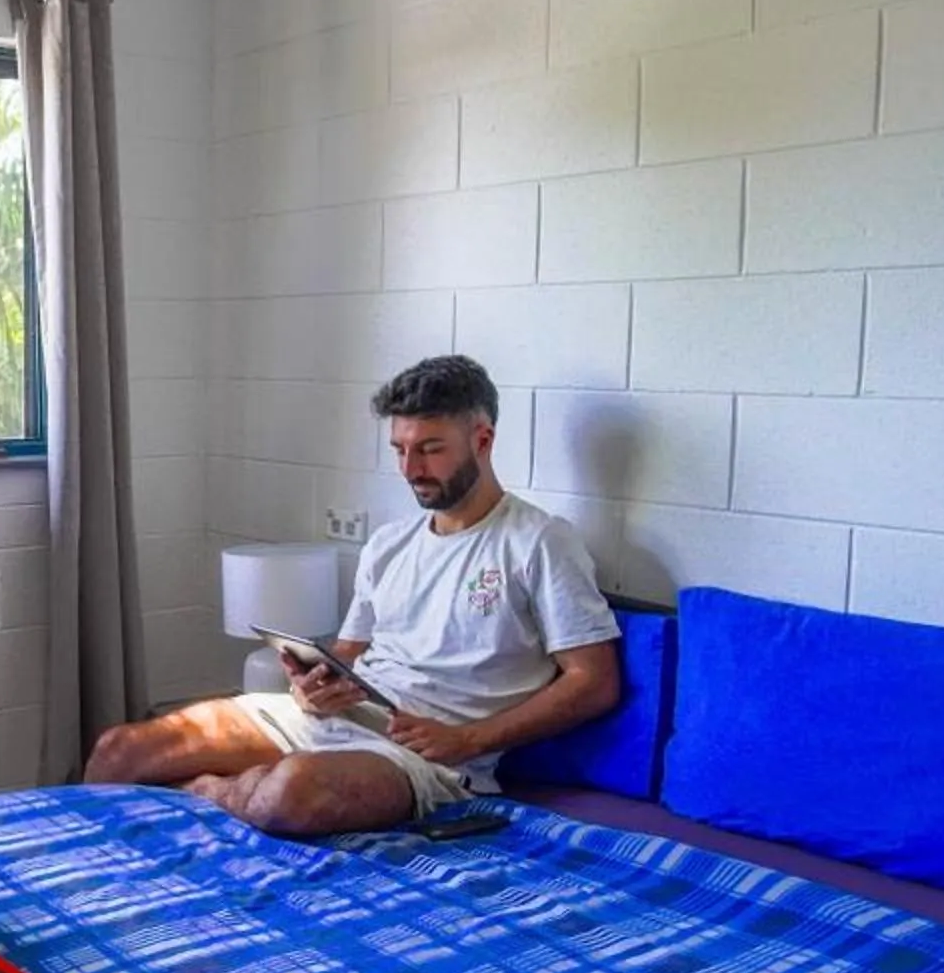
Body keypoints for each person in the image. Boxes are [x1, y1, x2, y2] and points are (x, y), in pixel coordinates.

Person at [84, 355, 623, 836]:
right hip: (338, 717)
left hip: (423, 756)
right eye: (401, 450)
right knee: (118, 752)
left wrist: (472, 740)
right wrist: (312, 686)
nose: (412, 470)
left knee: (287, 795)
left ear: (482, 440)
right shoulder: (389, 544)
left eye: (431, 450)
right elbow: (348, 655)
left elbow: (594, 681)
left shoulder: (540, 541)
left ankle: (207, 795)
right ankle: (221, 799)